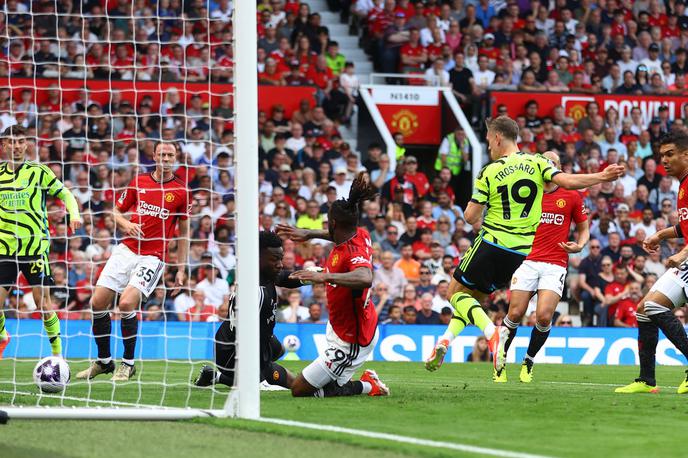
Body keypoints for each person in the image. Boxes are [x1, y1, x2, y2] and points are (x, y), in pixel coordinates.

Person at [425, 116, 623, 377]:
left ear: (498, 137)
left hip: (492, 242)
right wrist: (601, 175)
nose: (488, 146)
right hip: (520, 254)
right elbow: (567, 181)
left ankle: (492, 333)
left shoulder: (490, 171)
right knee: (473, 300)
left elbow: (470, 218)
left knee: (454, 294)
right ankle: (444, 342)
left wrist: (482, 208)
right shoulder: (538, 162)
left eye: (488, 140)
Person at [76, 142, 190, 381]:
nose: (166, 158)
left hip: (153, 256)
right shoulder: (139, 181)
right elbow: (115, 212)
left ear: (176, 158)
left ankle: (127, 363)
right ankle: (104, 362)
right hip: (126, 249)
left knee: (126, 304)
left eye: (170, 155)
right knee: (97, 302)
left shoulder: (181, 191)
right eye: (162, 154)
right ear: (154, 156)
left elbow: (184, 232)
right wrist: (126, 224)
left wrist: (181, 268)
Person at [278, 173, 389, 397]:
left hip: (352, 340)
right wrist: (310, 234)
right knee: (317, 384)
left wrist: (324, 277)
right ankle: (345, 380)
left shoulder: (353, 252)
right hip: (341, 326)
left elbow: (365, 277)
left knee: (301, 390)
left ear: (334, 223)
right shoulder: (360, 234)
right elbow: (337, 235)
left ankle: (369, 385)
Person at [500, 151, 589, 383]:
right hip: (527, 261)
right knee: (515, 313)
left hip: (555, 264)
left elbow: (583, 228)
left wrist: (579, 245)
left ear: (559, 168)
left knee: (543, 317)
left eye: (554, 163)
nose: (549, 165)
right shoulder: (527, 190)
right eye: (545, 161)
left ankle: (528, 361)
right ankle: (500, 360)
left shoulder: (571, 195)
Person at [0, 125, 82, 359]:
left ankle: (57, 355)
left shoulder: (39, 171)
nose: (16, 146)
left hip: (34, 248)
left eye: (20, 141)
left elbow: (65, 193)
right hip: (4, 248)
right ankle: (3, 336)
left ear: (26, 144)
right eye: (11, 142)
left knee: (42, 304)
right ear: (4, 145)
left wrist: (74, 214)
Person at [616, 130, 688, 394]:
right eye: (661, 156)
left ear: (686, 154)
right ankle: (647, 380)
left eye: (670, 154)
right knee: (645, 309)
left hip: (686, 260)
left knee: (652, 307)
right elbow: (686, 227)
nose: (664, 160)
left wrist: (682, 254)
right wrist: (660, 234)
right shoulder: (683, 184)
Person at [194, 231, 300, 388]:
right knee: (296, 384)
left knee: (278, 349)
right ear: (257, 258)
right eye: (274, 259)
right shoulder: (255, 293)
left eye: (280, 259)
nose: (280, 264)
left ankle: (214, 376)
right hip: (232, 353)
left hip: (247, 340)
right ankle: (248, 377)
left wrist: (313, 277)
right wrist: (261, 376)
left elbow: (285, 278)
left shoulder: (261, 274)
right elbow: (245, 338)